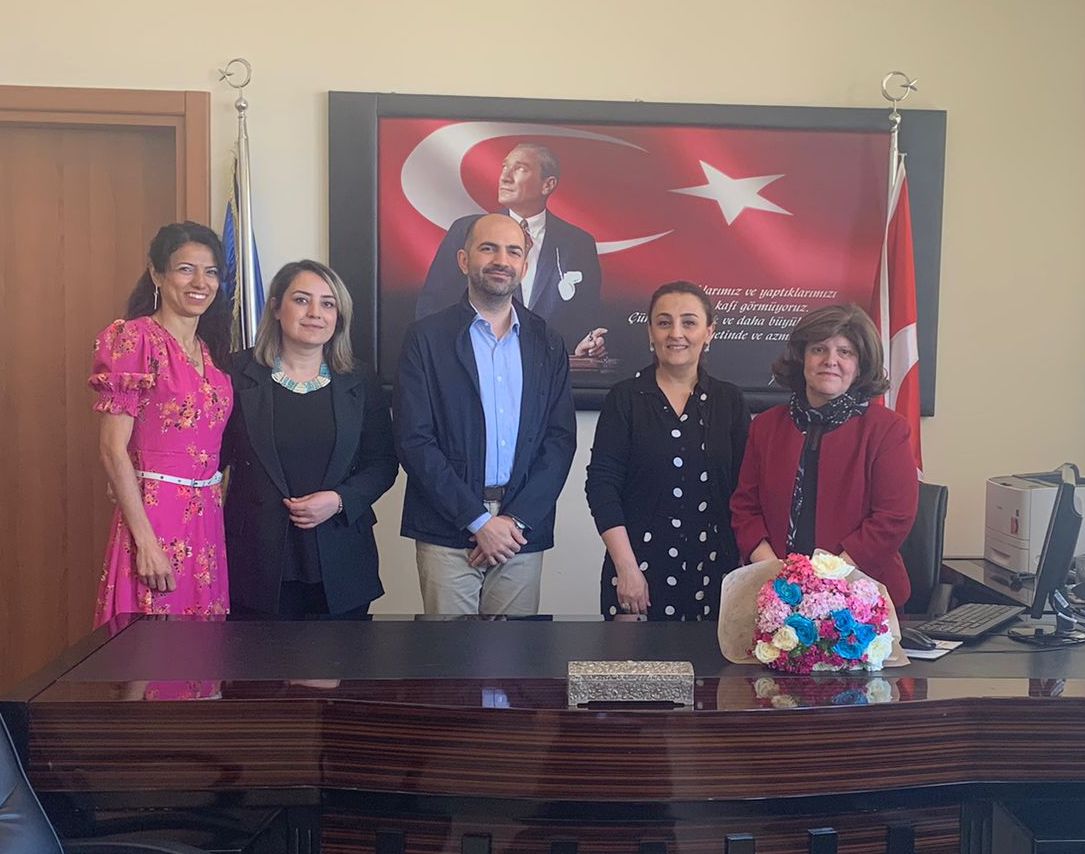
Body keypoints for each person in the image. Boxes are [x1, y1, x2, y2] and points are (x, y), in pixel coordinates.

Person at [394, 213, 577, 616]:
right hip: (447, 527)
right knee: (449, 653)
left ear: (524, 266)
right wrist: (478, 521)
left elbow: (560, 441)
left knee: (512, 653)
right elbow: (414, 440)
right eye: (488, 248)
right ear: (464, 260)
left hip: (519, 534)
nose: (501, 260)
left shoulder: (547, 342)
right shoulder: (426, 338)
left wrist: (514, 522)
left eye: (513, 251)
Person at [222, 260, 398, 618]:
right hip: (254, 560)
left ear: (338, 317)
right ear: (276, 307)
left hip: (340, 558)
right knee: (256, 657)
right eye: (302, 300)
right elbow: (207, 458)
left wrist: (339, 500)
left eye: (328, 304)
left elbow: (382, 464)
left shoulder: (360, 380)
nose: (315, 313)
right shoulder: (234, 374)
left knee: (334, 657)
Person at [89, 221, 233, 626]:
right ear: (157, 274)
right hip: (155, 516)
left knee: (202, 646)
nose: (200, 282)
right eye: (186, 269)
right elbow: (112, 449)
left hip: (207, 520)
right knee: (151, 642)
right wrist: (147, 543)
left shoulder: (212, 350)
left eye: (210, 272)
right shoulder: (135, 339)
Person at [729, 303, 918, 605]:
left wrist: (829, 580)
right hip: (775, 590)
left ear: (860, 365)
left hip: (861, 596)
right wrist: (775, 573)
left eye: (845, 352)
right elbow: (745, 508)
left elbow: (893, 518)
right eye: (819, 349)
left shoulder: (888, 429)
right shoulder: (765, 426)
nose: (831, 361)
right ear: (802, 358)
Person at [585, 281, 749, 620]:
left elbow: (744, 491)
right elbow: (602, 486)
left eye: (689, 322)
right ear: (650, 332)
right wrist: (626, 568)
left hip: (715, 572)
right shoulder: (625, 398)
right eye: (664, 322)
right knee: (632, 658)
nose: (676, 333)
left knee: (710, 658)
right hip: (637, 572)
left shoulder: (729, 401)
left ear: (709, 332)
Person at [415, 142, 607, 359]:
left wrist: (583, 346)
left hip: (548, 370)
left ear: (548, 185)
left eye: (520, 168)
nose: (505, 177)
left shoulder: (578, 243)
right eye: (504, 167)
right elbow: (432, 307)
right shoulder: (467, 230)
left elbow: (585, 318)